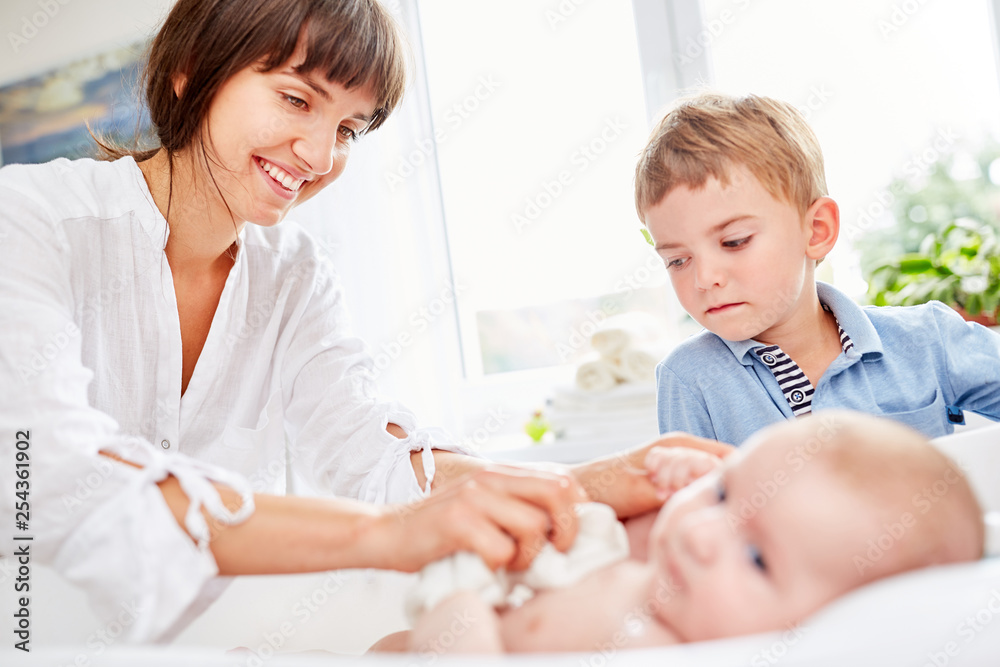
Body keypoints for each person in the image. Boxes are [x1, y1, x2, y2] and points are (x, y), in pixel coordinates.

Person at [0, 0, 719, 642]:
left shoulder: (293, 274)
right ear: (191, 70)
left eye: (348, 127)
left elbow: (365, 450)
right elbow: (58, 475)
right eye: (294, 99)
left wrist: (580, 485)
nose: (318, 156)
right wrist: (390, 535)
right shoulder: (28, 219)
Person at [406, 411, 985, 653]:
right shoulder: (669, 578)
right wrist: (685, 486)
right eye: (725, 492)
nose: (703, 532)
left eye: (757, 558)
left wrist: (465, 630)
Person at [632, 91, 1000, 445]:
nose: (704, 278)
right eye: (677, 260)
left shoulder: (928, 340)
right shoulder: (689, 379)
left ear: (816, 230)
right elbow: (697, 506)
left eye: (734, 241)